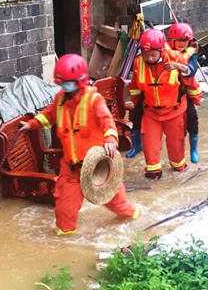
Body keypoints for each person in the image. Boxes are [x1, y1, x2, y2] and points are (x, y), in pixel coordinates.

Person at [18, 54, 140, 235]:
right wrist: (31, 125)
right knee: (64, 210)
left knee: (119, 205)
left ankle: (137, 219)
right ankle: (63, 244)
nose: (65, 86)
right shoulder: (60, 99)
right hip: (71, 168)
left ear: (80, 81)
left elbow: (107, 122)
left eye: (69, 82)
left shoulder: (93, 99)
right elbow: (48, 116)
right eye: (63, 82)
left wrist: (110, 140)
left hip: (97, 168)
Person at [128, 29, 202, 179]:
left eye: (152, 54)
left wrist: (196, 99)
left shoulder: (176, 58)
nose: (149, 58)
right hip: (151, 112)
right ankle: (153, 175)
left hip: (175, 111)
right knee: (150, 147)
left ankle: (179, 168)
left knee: (176, 150)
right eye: (145, 54)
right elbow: (135, 87)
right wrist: (136, 106)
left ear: (161, 51)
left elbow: (190, 81)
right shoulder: (138, 62)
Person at [166, 22, 201, 163]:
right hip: (167, 92)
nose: (182, 43)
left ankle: (193, 150)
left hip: (186, 93)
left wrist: (177, 66)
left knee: (192, 118)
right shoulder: (165, 51)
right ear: (172, 41)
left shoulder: (191, 54)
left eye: (185, 40)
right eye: (179, 40)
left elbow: (191, 70)